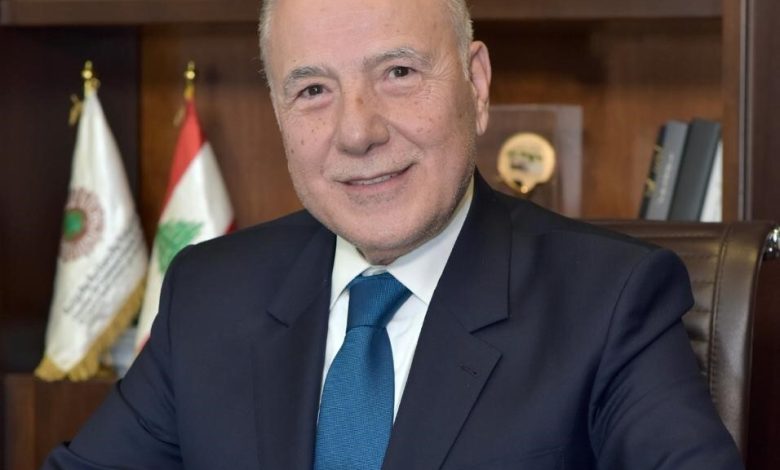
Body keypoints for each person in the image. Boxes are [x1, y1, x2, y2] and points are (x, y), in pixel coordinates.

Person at [43, 0, 743, 468]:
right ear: (279, 113)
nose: (357, 132)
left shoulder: (612, 302)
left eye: (399, 73)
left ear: (476, 85)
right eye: (312, 90)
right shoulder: (209, 294)